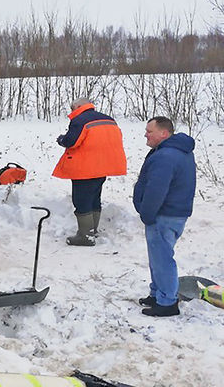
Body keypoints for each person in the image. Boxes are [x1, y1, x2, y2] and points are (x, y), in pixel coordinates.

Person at [133, 116, 196, 317]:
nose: (146, 134)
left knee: (162, 259)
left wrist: (147, 213)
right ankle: (158, 294)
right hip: (173, 213)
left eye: (149, 131)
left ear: (164, 133)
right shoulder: (177, 152)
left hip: (164, 214)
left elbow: (156, 189)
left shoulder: (166, 156)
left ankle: (168, 302)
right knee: (158, 257)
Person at [52, 98, 127, 246]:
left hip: (85, 168)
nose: (72, 111)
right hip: (104, 166)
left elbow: (72, 141)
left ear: (79, 107)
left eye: (73, 108)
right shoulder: (109, 119)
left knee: (81, 200)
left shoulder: (80, 120)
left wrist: (61, 139)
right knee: (94, 198)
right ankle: (93, 230)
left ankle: (85, 236)